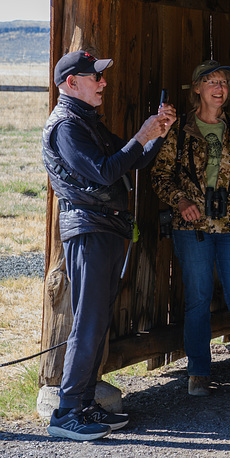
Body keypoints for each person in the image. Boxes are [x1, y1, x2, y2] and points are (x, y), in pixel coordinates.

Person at [42, 50, 177, 441]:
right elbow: (105, 172)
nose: (103, 82)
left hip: (104, 228)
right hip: (90, 229)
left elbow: (128, 160)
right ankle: (67, 414)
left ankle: (82, 406)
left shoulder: (85, 121)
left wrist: (157, 135)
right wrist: (142, 135)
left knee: (97, 319)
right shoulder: (67, 126)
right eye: (94, 77)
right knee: (89, 321)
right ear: (72, 83)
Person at [150, 60, 230, 398]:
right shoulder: (179, 129)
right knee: (198, 299)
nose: (220, 88)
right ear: (197, 89)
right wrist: (180, 202)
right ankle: (199, 374)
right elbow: (160, 175)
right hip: (193, 229)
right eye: (213, 81)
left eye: (224, 82)